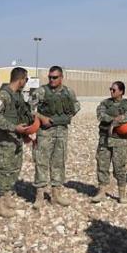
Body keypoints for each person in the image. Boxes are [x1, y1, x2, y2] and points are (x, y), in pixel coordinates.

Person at [31, 65, 81, 209]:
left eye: (55, 77)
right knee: (41, 162)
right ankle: (40, 195)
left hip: (61, 132)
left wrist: (67, 116)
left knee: (59, 162)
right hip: (45, 132)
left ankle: (56, 194)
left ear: (61, 78)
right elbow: (29, 109)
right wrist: (42, 117)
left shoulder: (68, 92)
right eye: (50, 77)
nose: (52, 80)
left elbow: (76, 105)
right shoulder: (41, 91)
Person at [0, 67, 34, 218]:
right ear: (21, 79)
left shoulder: (17, 96)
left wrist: (25, 134)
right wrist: (14, 128)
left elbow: (20, 116)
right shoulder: (3, 95)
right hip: (5, 140)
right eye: (26, 79)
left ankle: (6, 196)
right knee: (3, 171)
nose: (26, 82)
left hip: (16, 139)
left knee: (14, 169)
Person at [92, 81, 127, 202]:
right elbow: (100, 115)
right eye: (110, 89)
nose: (111, 91)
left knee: (119, 167)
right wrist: (114, 120)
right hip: (104, 139)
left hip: (119, 141)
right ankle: (101, 192)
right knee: (102, 165)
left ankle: (122, 194)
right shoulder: (105, 103)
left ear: (121, 91)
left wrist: (115, 122)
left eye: (114, 90)